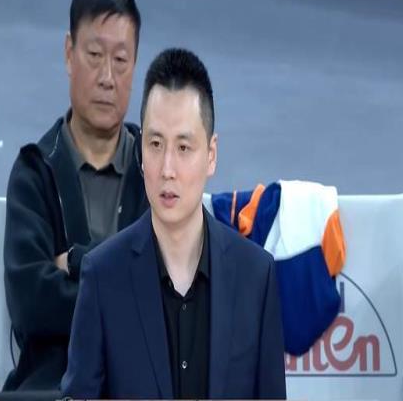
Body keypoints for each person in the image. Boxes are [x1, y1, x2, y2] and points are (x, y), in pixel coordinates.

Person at [61, 48, 286, 399]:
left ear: (211, 155)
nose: (167, 169)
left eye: (183, 148)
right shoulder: (103, 277)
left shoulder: (256, 277)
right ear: (140, 152)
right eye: (155, 144)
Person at [3, 0, 148, 390]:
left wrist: (75, 262)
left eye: (120, 60)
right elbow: (31, 304)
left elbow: (173, 286)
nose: (107, 77)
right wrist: (124, 295)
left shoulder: (156, 168)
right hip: (52, 386)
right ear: (69, 53)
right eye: (95, 55)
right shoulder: (35, 172)